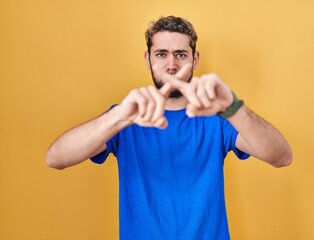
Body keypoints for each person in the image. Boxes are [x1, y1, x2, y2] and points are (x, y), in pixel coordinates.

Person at [46, 16, 292, 240]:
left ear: (195, 59)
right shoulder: (125, 118)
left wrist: (233, 107)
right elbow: (55, 158)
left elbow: (281, 156)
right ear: (148, 59)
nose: (171, 65)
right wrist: (118, 116)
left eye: (181, 54)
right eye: (161, 54)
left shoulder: (218, 117)